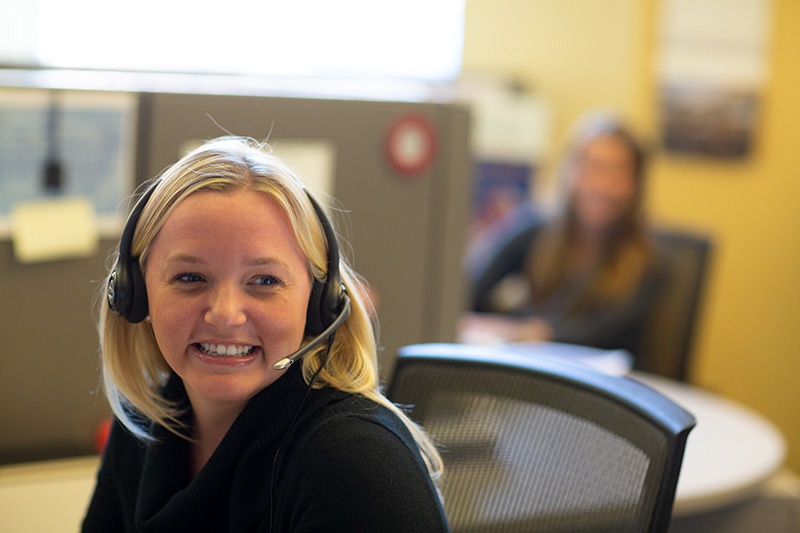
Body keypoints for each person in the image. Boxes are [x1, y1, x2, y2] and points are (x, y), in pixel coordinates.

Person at [82, 137, 449, 532]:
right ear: (135, 294)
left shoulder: (356, 462)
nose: (225, 314)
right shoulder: (146, 422)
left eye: (264, 280)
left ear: (317, 303)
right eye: (190, 277)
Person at [462, 112, 666, 358]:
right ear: (569, 170)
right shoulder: (534, 228)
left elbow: (599, 333)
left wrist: (521, 332)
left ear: (636, 182)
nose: (603, 184)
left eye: (617, 171)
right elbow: (467, 287)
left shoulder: (651, 262)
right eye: (593, 167)